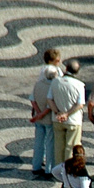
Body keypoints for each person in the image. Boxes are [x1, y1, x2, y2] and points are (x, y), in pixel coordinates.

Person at [48, 58, 87, 166]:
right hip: (73, 121)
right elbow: (80, 104)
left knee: (58, 147)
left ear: (66, 68)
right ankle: (68, 171)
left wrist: (58, 113)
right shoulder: (79, 85)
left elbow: (49, 99)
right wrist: (67, 114)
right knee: (71, 147)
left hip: (57, 119)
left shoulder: (55, 81)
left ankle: (58, 170)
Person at [30, 51, 62, 179]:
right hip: (48, 118)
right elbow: (50, 104)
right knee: (50, 143)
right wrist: (42, 114)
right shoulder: (54, 86)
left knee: (38, 142)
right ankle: (49, 168)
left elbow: (32, 99)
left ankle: (36, 166)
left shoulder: (38, 83)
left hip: (39, 117)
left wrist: (38, 114)